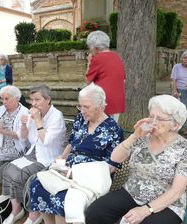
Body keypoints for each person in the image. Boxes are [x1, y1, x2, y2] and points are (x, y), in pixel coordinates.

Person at [85, 94, 187, 224]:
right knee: (95, 212)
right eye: (151, 116)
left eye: (159, 118)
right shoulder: (142, 138)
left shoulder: (185, 149)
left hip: (166, 204)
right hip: (132, 192)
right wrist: (134, 136)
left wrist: (146, 210)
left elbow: (176, 191)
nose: (153, 122)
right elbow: (115, 158)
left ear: (175, 125)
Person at [27, 83, 124, 224]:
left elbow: (112, 165)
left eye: (86, 107)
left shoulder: (113, 129)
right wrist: (61, 158)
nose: (82, 111)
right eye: (80, 106)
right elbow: (72, 143)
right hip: (67, 168)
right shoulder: (81, 119)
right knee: (37, 185)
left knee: (61, 197)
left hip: (90, 175)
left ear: (101, 106)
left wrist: (78, 174)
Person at [1, 84, 66, 224]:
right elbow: (24, 138)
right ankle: (16, 209)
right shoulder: (33, 114)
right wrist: (24, 125)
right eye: (32, 100)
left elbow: (46, 141)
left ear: (47, 99)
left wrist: (37, 120)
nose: (33, 103)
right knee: (7, 169)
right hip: (33, 152)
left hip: (49, 157)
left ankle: (33, 214)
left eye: (37, 100)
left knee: (23, 174)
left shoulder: (56, 116)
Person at [85, 30, 125, 121]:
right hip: (118, 101)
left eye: (89, 47)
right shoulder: (117, 57)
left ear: (95, 47)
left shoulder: (97, 59)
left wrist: (89, 62)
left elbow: (88, 81)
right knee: (112, 128)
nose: (90, 50)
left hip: (103, 102)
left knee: (101, 130)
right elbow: (123, 79)